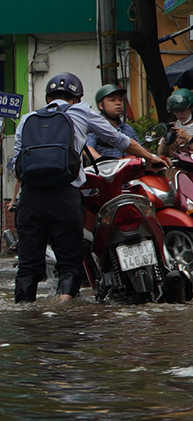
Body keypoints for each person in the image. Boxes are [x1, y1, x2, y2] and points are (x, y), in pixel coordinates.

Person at [11, 72, 166, 302]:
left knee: (28, 267)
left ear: (48, 98)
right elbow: (119, 140)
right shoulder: (80, 111)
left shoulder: (27, 119)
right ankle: (63, 309)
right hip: (64, 197)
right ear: (77, 97)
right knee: (69, 263)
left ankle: (27, 319)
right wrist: (150, 157)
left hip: (31, 199)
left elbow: (16, 165)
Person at [87, 84, 138, 160]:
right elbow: (88, 149)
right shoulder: (94, 127)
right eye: (112, 100)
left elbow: (139, 150)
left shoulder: (128, 129)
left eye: (120, 100)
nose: (118, 103)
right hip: (103, 170)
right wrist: (103, 161)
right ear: (101, 105)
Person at [159, 87, 193, 157]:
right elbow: (160, 153)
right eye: (176, 111)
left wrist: (187, 137)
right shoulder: (172, 125)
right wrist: (165, 139)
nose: (179, 114)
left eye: (182, 110)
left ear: (191, 108)